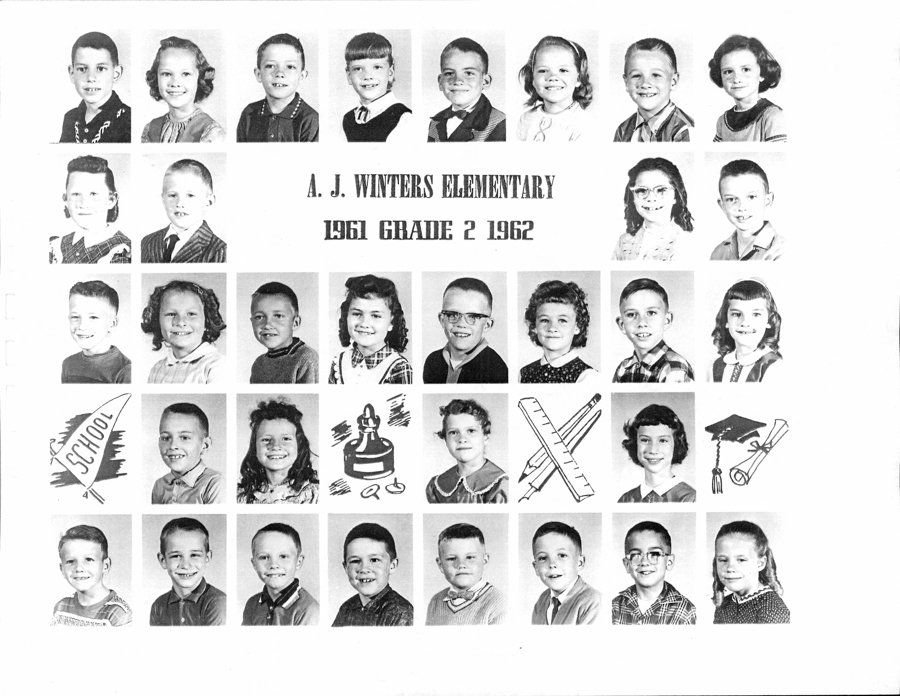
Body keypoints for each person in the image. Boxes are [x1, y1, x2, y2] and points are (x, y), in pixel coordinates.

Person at [328, 275, 412, 384]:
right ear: (346, 316)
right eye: (357, 314)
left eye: (375, 316)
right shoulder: (339, 363)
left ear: (391, 322)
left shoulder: (399, 368)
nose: (364, 323)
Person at [423, 277, 508, 383]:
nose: (461, 324)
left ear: (487, 325)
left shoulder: (496, 370)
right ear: (442, 320)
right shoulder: (433, 361)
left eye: (473, 316)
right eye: (452, 314)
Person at [141, 279, 226, 384]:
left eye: (191, 314)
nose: (180, 322)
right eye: (171, 314)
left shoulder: (216, 366)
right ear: (158, 321)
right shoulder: (157, 369)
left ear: (207, 321)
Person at [237, 33, 319, 142]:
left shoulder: (310, 120)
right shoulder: (249, 114)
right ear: (258, 74)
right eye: (270, 66)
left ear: (301, 76)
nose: (280, 73)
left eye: (290, 67)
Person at [141, 159, 226, 263]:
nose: (179, 203)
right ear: (163, 200)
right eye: (172, 195)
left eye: (190, 195)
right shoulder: (147, 241)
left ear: (209, 202)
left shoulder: (219, 251)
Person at [142, 36, 225, 143]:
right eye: (166, 74)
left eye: (185, 74)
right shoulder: (150, 129)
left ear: (200, 78)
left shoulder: (210, 132)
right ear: (156, 77)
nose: (175, 83)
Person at [611, 521, 696, 624]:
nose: (644, 562)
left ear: (669, 562)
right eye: (636, 555)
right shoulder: (614, 607)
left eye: (654, 554)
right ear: (627, 564)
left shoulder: (686, 612)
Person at [236, 398, 319, 504]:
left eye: (286, 439)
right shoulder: (240, 496)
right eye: (266, 439)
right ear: (254, 448)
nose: (275, 446)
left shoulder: (315, 495)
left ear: (299, 445)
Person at [612, 157, 695, 261]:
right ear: (633, 197)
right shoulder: (624, 241)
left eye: (661, 190)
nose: (651, 198)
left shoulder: (684, 243)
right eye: (642, 190)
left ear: (676, 196)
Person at [426, 398, 507, 504]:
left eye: (471, 431)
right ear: (446, 439)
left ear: (486, 436)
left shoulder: (500, 485)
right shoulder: (437, 487)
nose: (462, 439)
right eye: (453, 432)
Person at [51, 156, 130, 264]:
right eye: (76, 194)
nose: (83, 204)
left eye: (93, 194)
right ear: (65, 199)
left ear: (111, 200)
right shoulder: (57, 246)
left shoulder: (122, 253)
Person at [613, 278, 693, 383]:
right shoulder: (623, 369)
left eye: (651, 313)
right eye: (632, 314)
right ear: (622, 324)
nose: (642, 323)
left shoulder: (673, 369)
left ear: (667, 320)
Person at [332, 522, 413, 627]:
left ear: (392, 566)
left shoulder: (401, 613)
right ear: (346, 568)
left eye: (374, 560)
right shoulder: (346, 608)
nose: (364, 569)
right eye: (355, 561)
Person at [708, 35, 785, 143]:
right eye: (728, 71)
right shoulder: (722, 121)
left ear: (762, 74)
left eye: (746, 69)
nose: (736, 79)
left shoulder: (772, 116)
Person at [614, 38, 693, 142]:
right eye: (636, 75)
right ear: (626, 83)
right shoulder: (623, 131)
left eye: (656, 75)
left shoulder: (684, 130)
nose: (645, 84)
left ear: (673, 81)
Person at [150, 517, 226, 626]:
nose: (185, 565)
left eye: (194, 555)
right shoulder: (159, 606)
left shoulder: (218, 603)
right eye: (176, 556)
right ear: (163, 560)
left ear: (207, 558)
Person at [52, 524, 132, 627]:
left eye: (89, 559)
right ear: (62, 569)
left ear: (105, 566)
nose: (78, 568)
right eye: (70, 561)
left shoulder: (119, 614)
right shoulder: (60, 608)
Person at [426, 523, 505, 625]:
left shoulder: (499, 604)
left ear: (484, 561)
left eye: (470, 557)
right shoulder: (435, 601)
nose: (461, 565)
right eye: (452, 558)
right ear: (440, 565)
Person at [428, 37, 505, 142]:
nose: (457, 81)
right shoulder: (435, 122)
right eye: (449, 73)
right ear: (440, 82)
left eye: (469, 73)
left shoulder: (499, 123)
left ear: (485, 81)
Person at [59, 31, 131, 143]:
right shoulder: (70, 118)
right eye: (82, 69)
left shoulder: (128, 119)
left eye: (100, 69)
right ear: (72, 73)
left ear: (116, 73)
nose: (91, 78)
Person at [517, 36, 591, 142]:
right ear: (532, 78)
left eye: (563, 70)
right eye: (543, 71)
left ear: (579, 78)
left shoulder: (583, 124)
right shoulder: (525, 118)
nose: (552, 77)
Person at [712, 520, 790, 623]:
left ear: (760, 563)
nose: (730, 568)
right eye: (723, 560)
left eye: (741, 560)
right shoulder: (724, 606)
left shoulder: (772, 610)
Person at [520, 280, 597, 383]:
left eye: (562, 320)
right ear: (534, 326)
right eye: (545, 320)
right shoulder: (524, 373)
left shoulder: (587, 376)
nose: (552, 328)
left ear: (577, 326)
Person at [342, 32, 414, 142]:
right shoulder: (349, 119)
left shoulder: (404, 119)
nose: (368, 76)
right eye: (358, 69)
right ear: (349, 76)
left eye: (377, 67)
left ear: (390, 72)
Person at [243, 523, 319, 625]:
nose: (273, 565)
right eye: (264, 557)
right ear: (254, 564)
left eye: (283, 556)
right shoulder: (252, 604)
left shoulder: (308, 610)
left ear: (298, 562)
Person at [618, 404, 696, 503]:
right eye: (645, 440)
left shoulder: (690, 499)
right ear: (635, 443)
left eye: (662, 441)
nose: (653, 450)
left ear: (676, 444)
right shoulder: (625, 499)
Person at [709, 279, 782, 382]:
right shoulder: (715, 367)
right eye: (736, 314)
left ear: (769, 320)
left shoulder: (773, 367)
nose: (745, 322)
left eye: (756, 314)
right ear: (726, 320)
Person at [711, 159, 785, 260]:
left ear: (768, 200)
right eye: (731, 199)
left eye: (751, 197)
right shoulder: (718, 253)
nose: (742, 208)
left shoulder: (783, 252)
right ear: (722, 205)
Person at [152, 402, 224, 505]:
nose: (173, 445)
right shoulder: (159, 485)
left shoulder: (214, 484)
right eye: (166, 438)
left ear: (205, 445)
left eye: (184, 438)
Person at [531, 521, 601, 625]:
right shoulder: (542, 601)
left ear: (580, 563)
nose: (552, 564)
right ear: (536, 567)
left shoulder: (593, 602)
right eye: (543, 558)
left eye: (562, 555)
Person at [249, 282, 319, 383]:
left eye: (278, 316)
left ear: (295, 323)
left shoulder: (306, 359)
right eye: (259, 317)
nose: (267, 325)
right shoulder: (258, 364)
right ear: (252, 322)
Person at [62, 280, 131, 383]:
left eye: (93, 317)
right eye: (75, 317)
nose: (82, 326)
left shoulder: (125, 371)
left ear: (112, 324)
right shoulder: (68, 364)